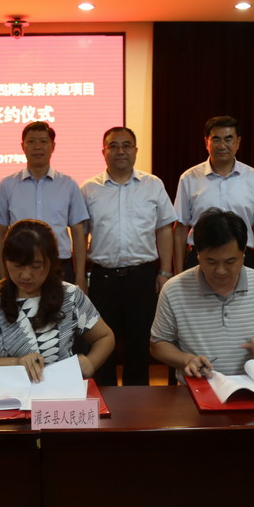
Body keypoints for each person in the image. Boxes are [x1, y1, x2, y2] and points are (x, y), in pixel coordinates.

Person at [0, 219, 114, 382]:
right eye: (17, 265)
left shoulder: (70, 296)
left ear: (52, 262)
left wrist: (90, 362)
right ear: (5, 260)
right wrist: (17, 363)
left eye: (36, 266)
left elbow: (105, 336)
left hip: (60, 389)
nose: (26, 275)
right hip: (7, 390)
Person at [81, 126, 176, 386]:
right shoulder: (89, 189)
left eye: (126, 145)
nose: (120, 151)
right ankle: (105, 401)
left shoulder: (153, 185)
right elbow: (80, 235)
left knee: (139, 345)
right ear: (103, 152)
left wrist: (165, 271)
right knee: (102, 345)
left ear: (135, 151)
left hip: (142, 277)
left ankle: (138, 404)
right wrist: (80, 277)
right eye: (113, 146)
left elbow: (164, 229)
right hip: (102, 279)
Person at [151, 209, 254, 382]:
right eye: (211, 261)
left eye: (230, 261)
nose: (221, 271)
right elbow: (158, 345)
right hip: (197, 388)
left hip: (250, 386)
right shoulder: (174, 290)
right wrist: (187, 360)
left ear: (243, 253)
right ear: (197, 255)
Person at [0, 121, 89, 291]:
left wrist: (80, 276)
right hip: (20, 266)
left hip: (59, 266)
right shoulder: (7, 185)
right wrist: (3, 277)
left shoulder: (68, 185)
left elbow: (78, 232)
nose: (37, 147)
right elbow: (0, 234)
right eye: (31, 141)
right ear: (22, 147)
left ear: (53, 146)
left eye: (43, 141)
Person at [173, 116, 254, 273]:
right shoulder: (189, 178)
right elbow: (180, 229)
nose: (222, 146)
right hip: (200, 258)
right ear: (206, 142)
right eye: (216, 139)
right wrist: (178, 273)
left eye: (228, 139)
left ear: (238, 142)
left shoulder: (253, 177)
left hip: (242, 258)